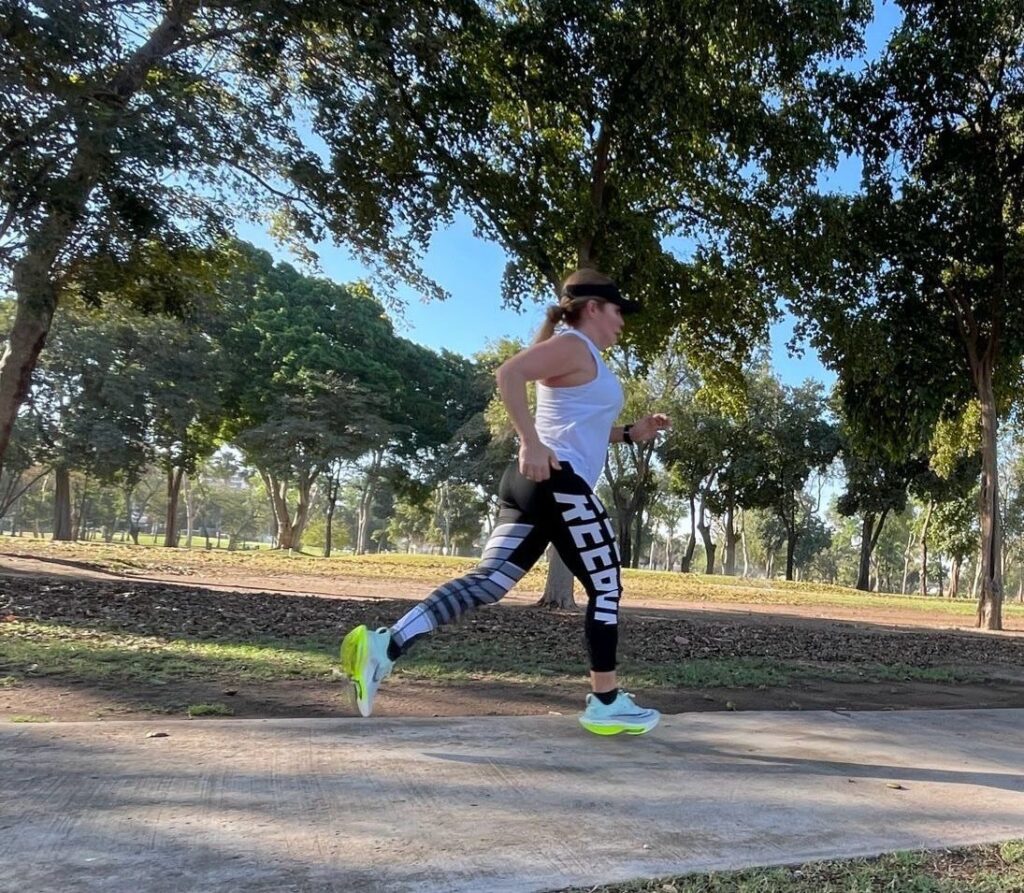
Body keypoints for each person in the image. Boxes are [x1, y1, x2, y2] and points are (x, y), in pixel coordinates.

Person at [340, 268, 671, 735]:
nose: (622, 321)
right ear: (594, 308)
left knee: (491, 582)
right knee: (607, 585)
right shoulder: (574, 344)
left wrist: (632, 434)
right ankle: (606, 701)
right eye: (618, 311)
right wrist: (530, 441)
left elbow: (580, 427)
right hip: (557, 480)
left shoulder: (579, 352)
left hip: (531, 484)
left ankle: (386, 646)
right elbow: (509, 373)